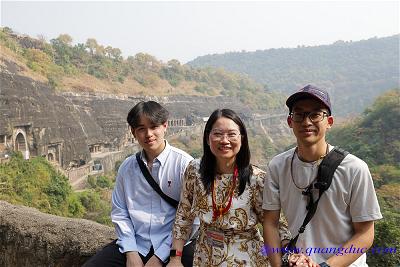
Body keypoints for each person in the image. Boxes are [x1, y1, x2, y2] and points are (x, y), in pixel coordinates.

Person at [262, 85, 382, 267]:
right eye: (299, 114)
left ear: (330, 121)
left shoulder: (355, 168)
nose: (306, 122)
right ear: (289, 121)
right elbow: (270, 222)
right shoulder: (277, 166)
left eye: (316, 114)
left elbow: (365, 234)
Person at [167, 108, 292, 267]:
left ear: (242, 138)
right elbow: (183, 214)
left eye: (232, 134)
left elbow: (276, 224)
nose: (224, 140)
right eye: (218, 134)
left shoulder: (257, 179)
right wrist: (175, 257)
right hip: (205, 256)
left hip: (246, 258)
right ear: (207, 138)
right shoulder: (194, 170)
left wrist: (289, 253)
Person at [84, 101, 198, 267]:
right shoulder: (127, 167)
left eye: (153, 127)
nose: (148, 134)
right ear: (133, 132)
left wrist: (159, 256)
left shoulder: (184, 165)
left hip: (175, 246)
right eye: (141, 129)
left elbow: (192, 219)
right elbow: (120, 212)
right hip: (137, 244)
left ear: (165, 126)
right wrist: (131, 252)